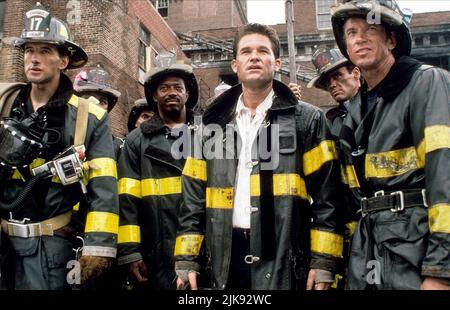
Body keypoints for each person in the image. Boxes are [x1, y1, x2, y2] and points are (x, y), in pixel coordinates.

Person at [174, 23, 345, 290]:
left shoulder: (307, 120)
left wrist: (323, 262)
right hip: (223, 262)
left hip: (284, 260)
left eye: (262, 51)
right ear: (235, 64)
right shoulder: (209, 126)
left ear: (276, 63)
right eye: (246, 51)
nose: (254, 57)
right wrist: (187, 260)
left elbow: (328, 198)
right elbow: (192, 202)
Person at [331, 0, 450, 289]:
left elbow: (445, 178)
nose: (360, 38)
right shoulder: (355, 110)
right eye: (352, 32)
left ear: (392, 39)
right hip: (368, 257)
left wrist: (440, 271)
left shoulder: (425, 83)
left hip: (415, 254)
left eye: (371, 29)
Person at [0, 3, 119, 289]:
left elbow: (104, 189)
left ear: (63, 61)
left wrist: (98, 249)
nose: (34, 59)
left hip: (52, 251)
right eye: (29, 50)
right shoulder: (4, 105)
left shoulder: (89, 118)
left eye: (45, 51)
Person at [117, 62, 199, 289]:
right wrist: (130, 254)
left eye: (178, 87)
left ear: (188, 93)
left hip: (201, 249)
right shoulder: (136, 141)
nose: (172, 92)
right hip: (155, 253)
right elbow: (127, 202)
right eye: (164, 88)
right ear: (154, 96)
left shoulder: (207, 135)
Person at [307, 48, 360, 139]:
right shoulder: (331, 122)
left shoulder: (376, 107)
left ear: (356, 73)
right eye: (327, 81)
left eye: (338, 75)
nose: (332, 85)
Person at [74, 65, 124, 158]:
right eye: (88, 98)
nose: (95, 105)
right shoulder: (58, 132)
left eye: (102, 102)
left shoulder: (118, 147)